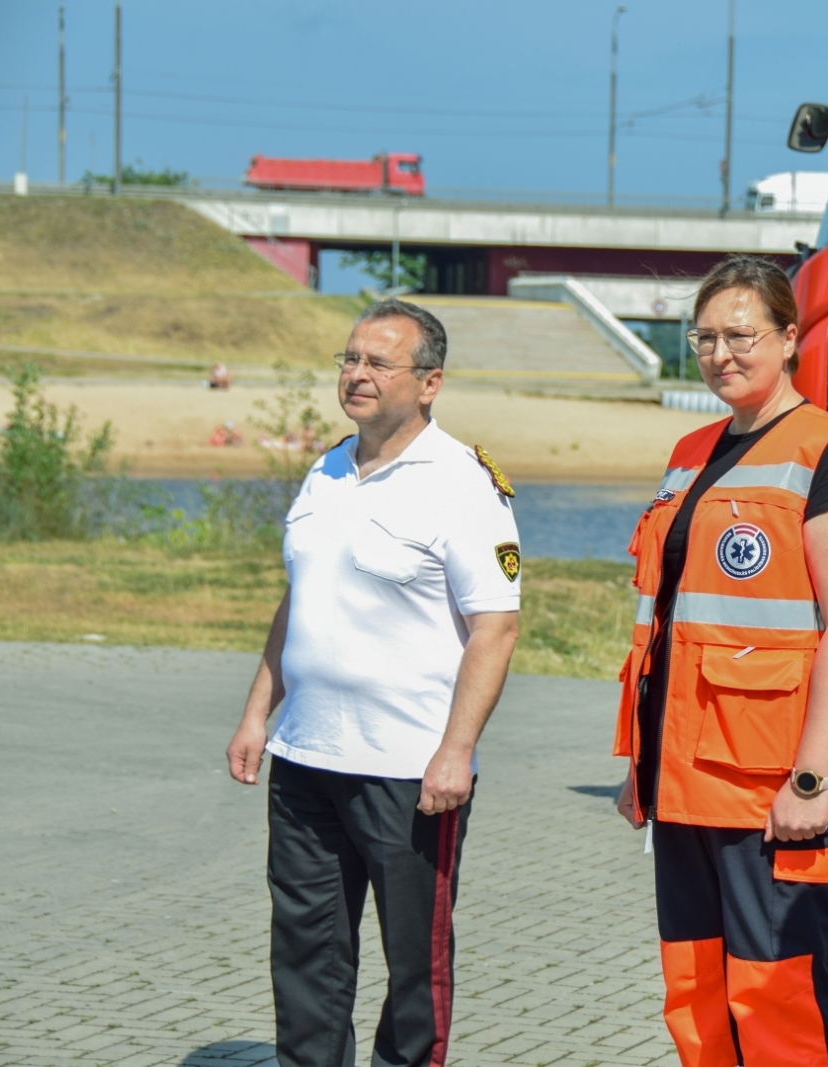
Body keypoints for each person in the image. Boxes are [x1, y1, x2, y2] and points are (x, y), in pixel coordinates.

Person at [224, 299, 521, 1067]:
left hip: (408, 769)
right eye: (348, 359)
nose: (355, 374)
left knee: (414, 965)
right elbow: (299, 599)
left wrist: (456, 751)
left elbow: (496, 626)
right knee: (306, 951)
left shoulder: (462, 483)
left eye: (376, 363)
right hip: (305, 757)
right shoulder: (326, 468)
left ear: (429, 383)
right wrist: (258, 713)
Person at [613, 254, 828, 1067]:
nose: (721, 354)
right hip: (685, 777)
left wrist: (811, 779)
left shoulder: (827, 451)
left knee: (779, 1000)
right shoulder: (691, 450)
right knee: (697, 994)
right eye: (705, 338)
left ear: (790, 337)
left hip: (772, 787)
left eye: (742, 335)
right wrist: (640, 761)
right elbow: (664, 624)